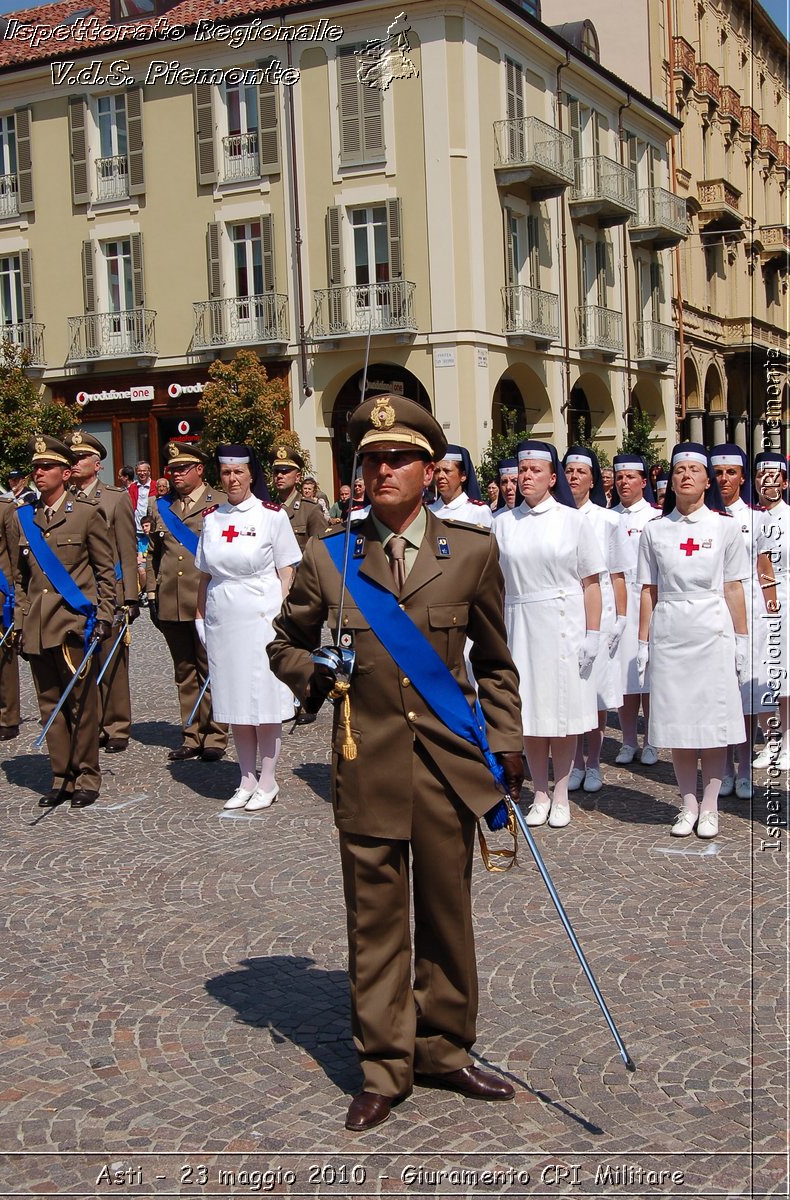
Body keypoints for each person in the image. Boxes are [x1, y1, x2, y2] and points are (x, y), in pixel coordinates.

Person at [268, 395, 524, 1132]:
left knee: (448, 917)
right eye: (371, 459)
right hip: (368, 765)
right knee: (376, 924)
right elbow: (283, 640)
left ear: (429, 470)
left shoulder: (472, 552)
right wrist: (312, 676)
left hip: (447, 767)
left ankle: (444, 1049)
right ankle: (384, 1065)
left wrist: (504, 743)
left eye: (398, 458)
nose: (383, 470)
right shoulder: (330, 556)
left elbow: (499, 666)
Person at [637, 443, 749, 839]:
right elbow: (648, 590)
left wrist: (742, 639)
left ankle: (712, 807)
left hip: (712, 627)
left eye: (693, 470)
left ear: (706, 481)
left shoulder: (725, 527)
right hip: (671, 629)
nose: (686, 475)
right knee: (680, 721)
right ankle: (687, 804)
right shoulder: (654, 530)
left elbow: (733, 586)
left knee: (714, 721)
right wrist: (642, 642)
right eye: (679, 469)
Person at [495, 440, 604, 829]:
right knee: (529, 712)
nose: (526, 477)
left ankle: (561, 793)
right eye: (522, 470)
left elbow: (592, 582)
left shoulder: (573, 521)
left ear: (552, 477)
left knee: (562, 712)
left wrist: (594, 634)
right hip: (520, 622)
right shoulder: (502, 524)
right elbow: (498, 586)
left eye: (535, 470)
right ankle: (538, 790)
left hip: (564, 621)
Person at [195, 445, 301, 812]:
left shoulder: (271, 516)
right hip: (224, 615)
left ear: (251, 474)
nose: (232, 479)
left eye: (238, 472)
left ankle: (268, 780)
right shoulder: (211, 519)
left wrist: (280, 612)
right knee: (234, 699)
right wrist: (199, 618)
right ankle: (245, 778)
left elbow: (287, 568)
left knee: (264, 700)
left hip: (261, 612)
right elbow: (205, 574)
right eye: (226, 473)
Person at [13, 435, 116, 807]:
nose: (39, 473)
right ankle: (62, 775)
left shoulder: (87, 513)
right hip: (39, 625)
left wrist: (105, 616)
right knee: (49, 703)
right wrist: (21, 623)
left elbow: (106, 573)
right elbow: (20, 579)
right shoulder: (24, 517)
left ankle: (87, 774)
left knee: (81, 704)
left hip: (75, 623)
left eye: (47, 467)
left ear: (65, 472)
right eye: (36, 467)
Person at [145, 442, 228, 761]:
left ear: (199, 470)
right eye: (172, 469)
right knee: (184, 670)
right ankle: (192, 733)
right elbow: (154, 553)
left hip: (207, 599)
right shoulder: (160, 506)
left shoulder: (219, 502)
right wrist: (152, 592)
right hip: (171, 599)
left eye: (183, 468)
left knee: (211, 667)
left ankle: (216, 734)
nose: (176, 474)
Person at [563, 447, 635, 794]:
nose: (573, 476)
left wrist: (621, 618)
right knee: (573, 690)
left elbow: (618, 573)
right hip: (567, 609)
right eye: (569, 470)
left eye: (580, 471)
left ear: (593, 480)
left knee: (595, 693)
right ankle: (574, 761)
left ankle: (593, 762)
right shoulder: (558, 517)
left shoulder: (609, 520)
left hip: (601, 609)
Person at [65, 430, 140, 754]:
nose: (75, 463)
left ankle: (117, 725)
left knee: (111, 663)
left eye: (81, 458)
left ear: (97, 465)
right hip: (76, 594)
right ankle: (90, 725)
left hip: (108, 591)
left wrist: (130, 596)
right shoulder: (64, 498)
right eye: (72, 458)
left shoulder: (114, 497)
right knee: (81, 665)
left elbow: (126, 547)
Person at [711, 444, 769, 798]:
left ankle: (744, 766)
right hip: (714, 610)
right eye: (718, 473)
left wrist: (772, 614)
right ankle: (724, 769)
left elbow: (766, 571)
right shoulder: (708, 520)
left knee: (745, 695)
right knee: (721, 694)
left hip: (749, 610)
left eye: (731, 473)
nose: (724, 480)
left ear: (743, 477)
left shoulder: (757, 519)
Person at [611, 454, 660, 766]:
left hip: (648, 597)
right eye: (619, 478)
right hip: (619, 601)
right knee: (625, 676)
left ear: (644, 481)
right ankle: (628, 739)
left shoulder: (655, 517)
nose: (624, 483)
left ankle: (652, 739)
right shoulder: (609, 516)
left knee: (650, 676)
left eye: (630, 477)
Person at [753, 451, 789, 771]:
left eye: (773, 477)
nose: (766, 482)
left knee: (785, 675)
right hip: (755, 600)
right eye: (761, 476)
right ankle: (770, 740)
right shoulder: (750, 520)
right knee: (761, 675)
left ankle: (788, 741)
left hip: (785, 596)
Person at [0, 479, 21, 740]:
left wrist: (15, 596)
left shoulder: (3, 509)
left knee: (4, 661)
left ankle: (8, 717)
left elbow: (14, 554)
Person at [270, 445, 328, 552]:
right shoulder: (267, 510)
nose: (279, 475)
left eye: (285, 471)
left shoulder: (311, 510)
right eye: (276, 471)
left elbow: (322, 551)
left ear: (297, 477)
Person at [428, 445, 493, 528]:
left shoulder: (478, 511)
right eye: (437, 471)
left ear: (463, 476)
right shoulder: (428, 510)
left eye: (447, 471)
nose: (440, 476)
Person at [128, 460, 156, 530]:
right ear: (136, 472)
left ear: (149, 472)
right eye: (139, 471)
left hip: (152, 526)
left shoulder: (155, 485)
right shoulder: (132, 487)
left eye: (144, 471)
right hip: (137, 526)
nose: (142, 473)